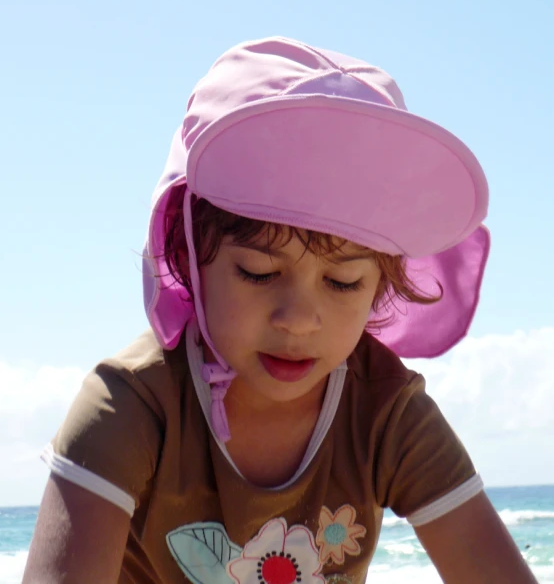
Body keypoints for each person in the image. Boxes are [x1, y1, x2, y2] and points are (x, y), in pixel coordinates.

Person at [23, 37, 537, 583]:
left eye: (342, 282)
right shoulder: (131, 409)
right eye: (259, 273)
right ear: (188, 255)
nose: (298, 319)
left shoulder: (386, 416)